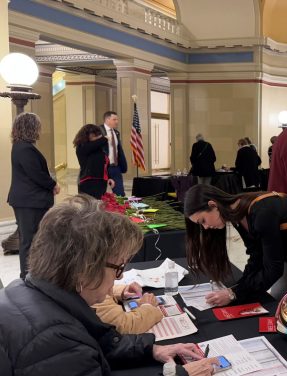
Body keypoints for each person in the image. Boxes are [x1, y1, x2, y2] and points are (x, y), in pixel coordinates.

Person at [0, 195, 219, 376]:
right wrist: (181, 374)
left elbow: (99, 341)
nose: (117, 279)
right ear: (86, 270)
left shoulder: (28, 289)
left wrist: (151, 349)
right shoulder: (55, 343)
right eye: (118, 268)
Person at [184, 185, 287, 313]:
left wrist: (234, 293)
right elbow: (256, 256)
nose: (205, 227)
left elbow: (273, 270)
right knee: (278, 305)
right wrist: (234, 290)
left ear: (213, 205)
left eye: (203, 221)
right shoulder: (238, 215)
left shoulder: (261, 212)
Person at [8, 113, 60, 280]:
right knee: (29, 241)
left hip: (29, 200)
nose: (40, 128)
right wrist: (53, 184)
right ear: (30, 127)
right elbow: (35, 173)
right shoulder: (25, 148)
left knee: (32, 240)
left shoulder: (21, 146)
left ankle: (34, 274)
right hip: (29, 202)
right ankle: (27, 276)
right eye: (37, 125)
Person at [92, 282, 164, 335]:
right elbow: (125, 326)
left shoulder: (87, 282)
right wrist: (148, 306)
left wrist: (122, 291)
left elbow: (98, 285)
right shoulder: (93, 296)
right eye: (117, 269)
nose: (121, 277)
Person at [74, 124, 115, 199]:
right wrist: (104, 138)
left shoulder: (98, 148)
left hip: (101, 183)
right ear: (86, 135)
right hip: (88, 183)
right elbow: (101, 141)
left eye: (98, 134)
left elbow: (103, 164)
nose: (97, 136)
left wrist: (109, 177)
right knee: (90, 208)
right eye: (94, 135)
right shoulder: (81, 147)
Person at [100, 111, 128, 196]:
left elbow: (118, 150)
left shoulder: (116, 132)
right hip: (102, 167)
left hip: (115, 167)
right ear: (107, 120)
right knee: (101, 194)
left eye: (117, 119)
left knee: (120, 194)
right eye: (114, 119)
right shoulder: (98, 131)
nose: (117, 121)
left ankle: (122, 208)